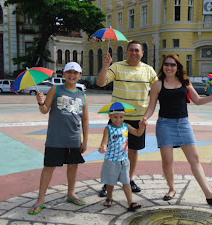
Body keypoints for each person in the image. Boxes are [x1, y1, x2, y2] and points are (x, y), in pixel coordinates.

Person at [142, 54, 212, 205]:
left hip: (183, 124)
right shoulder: (158, 84)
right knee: (167, 161)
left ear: (178, 67)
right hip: (165, 125)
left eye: (172, 65)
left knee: (195, 159)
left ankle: (208, 193)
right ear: (163, 66)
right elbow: (151, 107)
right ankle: (171, 188)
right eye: (166, 64)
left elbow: (198, 101)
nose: (169, 67)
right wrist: (145, 118)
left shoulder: (186, 83)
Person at [97, 40, 158, 196]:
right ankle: (108, 182)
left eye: (137, 50)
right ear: (127, 52)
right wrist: (105, 66)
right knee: (112, 151)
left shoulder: (149, 70)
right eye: (131, 50)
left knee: (133, 151)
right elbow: (101, 82)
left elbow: (158, 91)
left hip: (138, 118)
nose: (134, 53)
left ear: (142, 53)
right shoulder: (117, 67)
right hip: (118, 118)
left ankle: (129, 179)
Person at [28, 62, 89, 214]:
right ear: (64, 74)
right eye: (69, 72)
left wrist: (85, 140)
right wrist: (40, 102)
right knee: (48, 168)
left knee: (73, 167)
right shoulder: (56, 89)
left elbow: (85, 120)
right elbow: (44, 110)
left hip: (73, 139)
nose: (72, 75)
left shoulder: (82, 94)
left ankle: (71, 193)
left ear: (80, 76)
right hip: (55, 139)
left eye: (75, 73)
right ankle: (41, 199)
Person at [98, 106, 146, 211]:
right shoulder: (108, 129)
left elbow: (138, 133)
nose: (118, 120)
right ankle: (109, 197)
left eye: (121, 117)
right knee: (111, 182)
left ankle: (130, 202)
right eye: (115, 117)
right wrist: (103, 147)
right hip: (112, 161)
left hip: (124, 160)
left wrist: (141, 127)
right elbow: (104, 142)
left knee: (126, 181)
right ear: (110, 116)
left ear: (124, 117)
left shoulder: (126, 126)